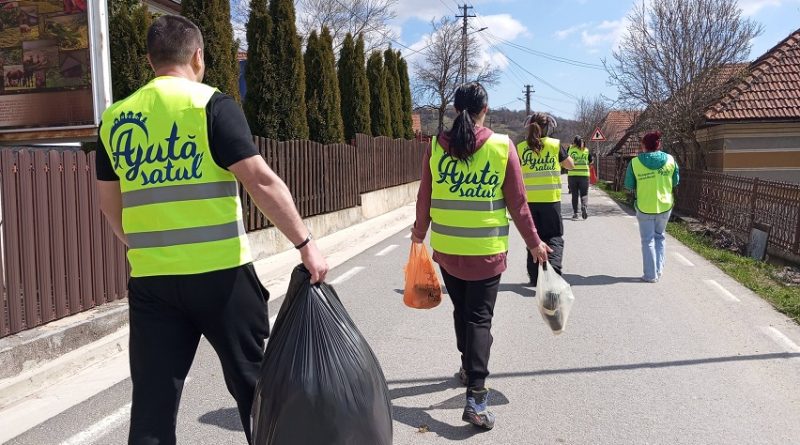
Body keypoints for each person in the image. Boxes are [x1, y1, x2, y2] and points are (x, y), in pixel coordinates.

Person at [95, 16, 328, 445]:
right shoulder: (211, 105)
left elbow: (110, 206)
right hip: (223, 279)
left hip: (152, 284)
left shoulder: (114, 119)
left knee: (153, 405)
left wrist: (145, 247)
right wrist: (305, 244)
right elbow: (260, 182)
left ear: (149, 59)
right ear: (198, 56)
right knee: (257, 392)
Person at [411, 83, 550, 430]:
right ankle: (476, 396)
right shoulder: (502, 147)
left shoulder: (435, 145)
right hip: (486, 251)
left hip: (448, 249)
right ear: (485, 109)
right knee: (480, 319)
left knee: (464, 312)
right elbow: (518, 204)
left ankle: (466, 366)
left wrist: (418, 235)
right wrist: (534, 243)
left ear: (456, 109)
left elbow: (424, 195)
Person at [517, 113, 574, 286]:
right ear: (548, 127)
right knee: (554, 237)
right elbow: (570, 165)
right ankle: (553, 271)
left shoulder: (520, 148)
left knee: (534, 239)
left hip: (529, 202)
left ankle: (535, 278)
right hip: (550, 201)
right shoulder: (555, 145)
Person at [624, 131, 680, 283]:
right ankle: (659, 269)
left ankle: (650, 275)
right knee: (659, 237)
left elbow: (629, 185)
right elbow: (675, 181)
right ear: (658, 144)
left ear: (644, 145)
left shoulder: (635, 163)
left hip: (644, 206)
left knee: (647, 240)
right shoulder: (670, 160)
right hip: (665, 205)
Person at [567, 136, 593, 220]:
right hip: (584, 176)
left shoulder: (570, 149)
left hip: (572, 176)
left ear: (574, 142)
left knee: (574, 195)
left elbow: (565, 159)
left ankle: (576, 213)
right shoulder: (586, 150)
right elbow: (591, 160)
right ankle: (584, 206)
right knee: (584, 194)